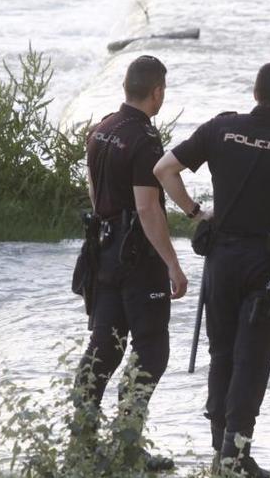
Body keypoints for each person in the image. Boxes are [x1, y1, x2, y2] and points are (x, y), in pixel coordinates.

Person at [153, 62, 270, 477]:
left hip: (222, 261)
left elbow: (164, 170)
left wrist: (197, 212)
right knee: (252, 359)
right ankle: (237, 456)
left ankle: (221, 451)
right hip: (268, 269)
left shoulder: (220, 129)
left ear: (255, 93)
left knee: (222, 353)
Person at [73, 55, 187, 471]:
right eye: (163, 91)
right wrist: (172, 263)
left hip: (102, 250)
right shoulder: (144, 140)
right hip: (137, 258)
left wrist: (109, 226)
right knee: (151, 351)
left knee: (103, 348)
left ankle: (81, 443)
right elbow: (147, 208)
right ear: (156, 91)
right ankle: (127, 445)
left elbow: (91, 186)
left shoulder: (101, 129)